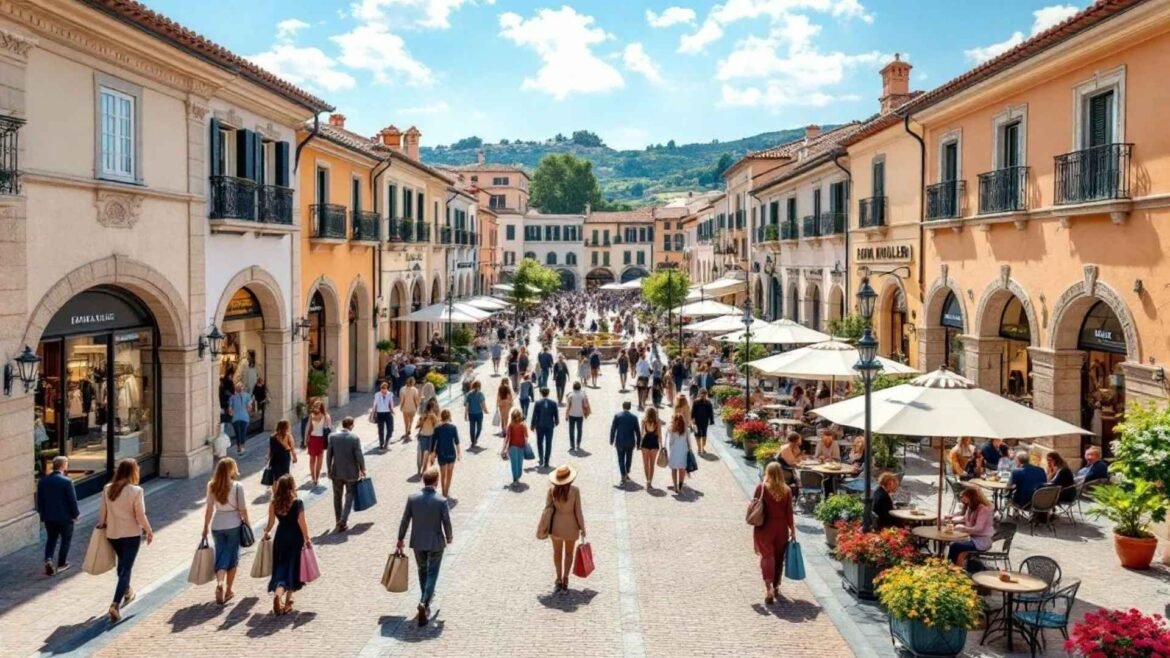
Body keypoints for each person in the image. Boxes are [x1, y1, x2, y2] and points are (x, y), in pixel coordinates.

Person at [99, 458, 154, 622]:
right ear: (133, 472)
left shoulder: (108, 488)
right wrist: (148, 530)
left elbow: (103, 512)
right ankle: (115, 604)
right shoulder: (136, 491)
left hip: (113, 533)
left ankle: (127, 591)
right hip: (130, 534)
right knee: (126, 568)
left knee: (122, 565)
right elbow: (140, 514)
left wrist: (101, 525)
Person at [397, 467, 453, 627]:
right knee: (433, 573)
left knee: (422, 570)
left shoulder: (413, 498)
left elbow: (405, 520)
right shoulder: (441, 501)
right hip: (436, 542)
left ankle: (425, 601)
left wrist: (400, 538)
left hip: (418, 542)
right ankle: (424, 602)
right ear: (436, 482)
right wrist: (449, 537)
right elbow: (446, 522)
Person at [201, 457, 250, 605]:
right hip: (233, 524)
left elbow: (209, 509)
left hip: (217, 525)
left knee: (221, 555)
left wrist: (205, 527)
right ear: (231, 470)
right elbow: (243, 509)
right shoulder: (237, 486)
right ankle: (228, 590)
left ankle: (220, 583)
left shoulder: (211, 486)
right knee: (233, 557)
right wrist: (247, 524)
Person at [264, 474, 310, 615]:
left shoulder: (274, 503)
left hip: (280, 537)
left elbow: (271, 522)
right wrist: (307, 538)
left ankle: (278, 595)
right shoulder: (297, 502)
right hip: (295, 538)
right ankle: (288, 602)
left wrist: (266, 532)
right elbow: (302, 523)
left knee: (281, 567)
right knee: (292, 569)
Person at [753, 462, 796, 605]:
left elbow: (754, 506)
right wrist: (793, 530)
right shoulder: (787, 490)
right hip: (781, 528)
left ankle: (768, 587)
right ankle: (776, 585)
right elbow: (789, 512)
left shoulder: (762, 488)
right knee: (778, 558)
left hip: (765, 527)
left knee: (767, 557)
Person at [544, 465, 586, 592]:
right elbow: (578, 511)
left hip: (556, 525)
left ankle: (558, 578)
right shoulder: (575, 491)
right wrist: (582, 527)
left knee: (557, 553)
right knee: (569, 553)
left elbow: (547, 509)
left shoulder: (552, 491)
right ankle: (566, 578)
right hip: (571, 525)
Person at [37, 455, 79, 576]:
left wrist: (42, 516)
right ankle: (62, 563)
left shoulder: (43, 481)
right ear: (63, 466)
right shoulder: (67, 481)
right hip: (65, 517)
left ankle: (48, 559)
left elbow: (40, 501)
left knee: (51, 539)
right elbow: (72, 500)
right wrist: (75, 514)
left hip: (49, 517)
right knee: (65, 540)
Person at [326, 417, 366, 533]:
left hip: (336, 472)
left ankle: (338, 520)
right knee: (349, 495)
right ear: (351, 425)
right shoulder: (354, 438)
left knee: (337, 497)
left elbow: (329, 455)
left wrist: (328, 469)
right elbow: (359, 455)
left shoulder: (332, 437)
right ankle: (343, 520)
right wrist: (363, 468)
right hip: (351, 473)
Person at [946, 488, 995, 566]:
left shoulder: (983, 509)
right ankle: (951, 565)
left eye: (965, 499)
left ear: (971, 497)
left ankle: (951, 567)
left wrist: (964, 529)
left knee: (955, 546)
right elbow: (965, 518)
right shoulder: (971, 506)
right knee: (953, 543)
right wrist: (952, 519)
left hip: (981, 541)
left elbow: (979, 528)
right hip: (972, 538)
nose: (964, 502)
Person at [609, 400, 642, 484]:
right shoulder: (634, 417)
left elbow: (613, 429)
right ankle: (626, 471)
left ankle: (623, 474)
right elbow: (637, 432)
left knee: (620, 459)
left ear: (623, 406)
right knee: (629, 458)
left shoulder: (617, 416)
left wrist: (612, 439)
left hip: (620, 441)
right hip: (630, 442)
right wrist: (638, 443)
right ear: (630, 407)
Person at [433, 410, 462, 497]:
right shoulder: (453, 428)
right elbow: (457, 442)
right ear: (449, 417)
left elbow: (434, 442)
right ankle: (447, 490)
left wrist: (433, 454)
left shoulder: (437, 429)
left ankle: (443, 491)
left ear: (441, 417)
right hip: (451, 452)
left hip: (441, 452)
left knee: (443, 474)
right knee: (450, 473)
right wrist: (459, 453)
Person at [530, 387, 560, 467]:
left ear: (541, 393)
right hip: (549, 426)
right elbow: (556, 415)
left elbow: (534, 415)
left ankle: (541, 458)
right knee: (548, 443)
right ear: (548, 393)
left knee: (540, 442)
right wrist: (556, 422)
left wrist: (532, 425)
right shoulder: (553, 403)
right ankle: (546, 461)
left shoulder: (538, 403)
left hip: (539, 425)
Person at [666, 413, 695, 493]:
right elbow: (689, 442)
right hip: (683, 452)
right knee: (682, 470)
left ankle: (675, 487)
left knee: (674, 469)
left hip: (674, 452)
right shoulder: (686, 430)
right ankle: (680, 487)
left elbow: (670, 442)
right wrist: (690, 450)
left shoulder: (671, 429)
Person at [305, 401, 331, 486]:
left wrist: (305, 440)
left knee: (312, 459)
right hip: (321, 439)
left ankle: (313, 478)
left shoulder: (311, 416)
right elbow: (329, 429)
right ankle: (316, 478)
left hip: (312, 439)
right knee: (319, 460)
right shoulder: (326, 416)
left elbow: (307, 428)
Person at [503, 409, 529, 486]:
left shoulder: (512, 425)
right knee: (518, 463)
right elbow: (526, 436)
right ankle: (516, 479)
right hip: (517, 446)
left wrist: (504, 448)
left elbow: (507, 437)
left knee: (516, 463)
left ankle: (516, 478)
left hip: (516, 446)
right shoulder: (521, 425)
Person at [268, 419, 297, 488]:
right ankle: (285, 490)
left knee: (275, 478)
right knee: (285, 475)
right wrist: (294, 457)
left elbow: (271, 449)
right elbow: (291, 447)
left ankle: (275, 494)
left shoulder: (272, 437)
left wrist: (269, 458)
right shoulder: (288, 436)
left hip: (275, 459)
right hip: (284, 458)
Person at [227, 382, 254, 455]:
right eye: (239, 388)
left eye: (241, 387)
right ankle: (240, 446)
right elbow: (230, 407)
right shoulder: (234, 397)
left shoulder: (243, 396)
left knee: (240, 432)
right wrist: (230, 411)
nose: (240, 389)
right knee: (240, 432)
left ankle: (241, 446)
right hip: (239, 417)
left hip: (241, 417)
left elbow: (250, 403)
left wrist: (249, 406)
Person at [639, 407, 661, 489]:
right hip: (654, 443)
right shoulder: (657, 422)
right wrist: (661, 446)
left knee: (645, 464)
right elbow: (659, 435)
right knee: (652, 464)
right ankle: (650, 482)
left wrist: (640, 444)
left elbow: (642, 434)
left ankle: (647, 481)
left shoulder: (644, 421)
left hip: (646, 442)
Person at [417, 400, 440, 475]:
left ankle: (421, 470)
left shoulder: (429, 415)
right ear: (432, 408)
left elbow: (437, 425)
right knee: (425, 454)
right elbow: (417, 426)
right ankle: (422, 470)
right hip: (427, 436)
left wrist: (432, 418)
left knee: (425, 454)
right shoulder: (428, 415)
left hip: (427, 436)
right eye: (434, 407)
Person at [565, 382, 589, 453]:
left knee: (571, 431)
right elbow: (585, 405)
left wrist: (566, 415)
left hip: (572, 415)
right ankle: (578, 444)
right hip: (580, 415)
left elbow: (568, 406)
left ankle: (572, 445)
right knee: (579, 430)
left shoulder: (570, 395)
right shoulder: (582, 395)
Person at [372, 381, 396, 450]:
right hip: (379, 413)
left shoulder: (390, 394)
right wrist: (374, 413)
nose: (384, 390)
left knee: (390, 429)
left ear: (387, 388)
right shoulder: (377, 394)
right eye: (382, 388)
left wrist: (392, 410)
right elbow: (375, 404)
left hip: (388, 413)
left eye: (385, 388)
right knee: (380, 430)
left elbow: (391, 403)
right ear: (380, 388)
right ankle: (381, 444)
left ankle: (386, 442)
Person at [690, 388, 715, 455]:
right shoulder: (696, 402)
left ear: (706, 394)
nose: (703, 395)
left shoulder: (708, 403)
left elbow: (711, 412)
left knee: (704, 435)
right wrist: (692, 420)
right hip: (696, 421)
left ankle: (702, 447)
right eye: (702, 393)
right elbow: (693, 412)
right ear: (699, 394)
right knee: (697, 435)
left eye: (704, 394)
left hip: (705, 421)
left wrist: (712, 420)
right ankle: (699, 448)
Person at [464, 380, 488, 447]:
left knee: (475, 428)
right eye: (477, 386)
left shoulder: (479, 394)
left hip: (475, 413)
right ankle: (473, 440)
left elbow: (483, 404)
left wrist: (485, 410)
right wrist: (465, 414)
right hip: (475, 414)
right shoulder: (470, 395)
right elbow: (467, 405)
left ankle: (474, 440)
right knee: (476, 428)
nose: (477, 388)